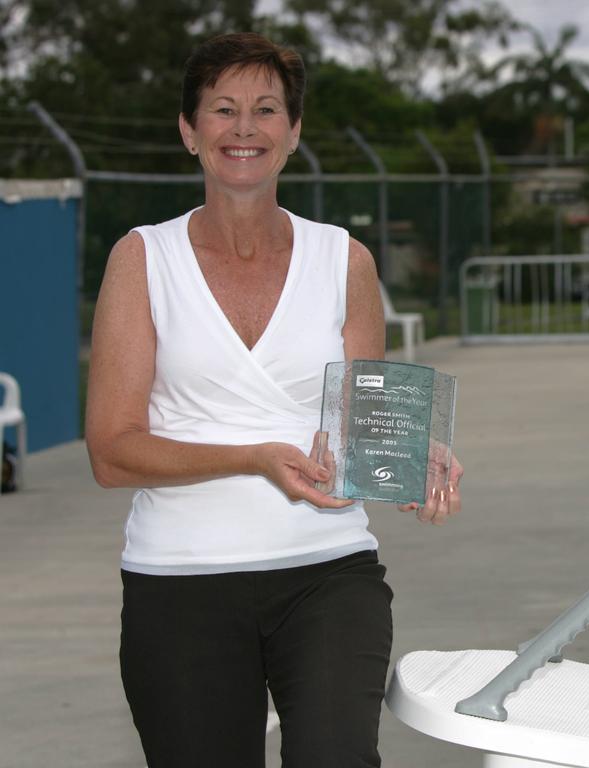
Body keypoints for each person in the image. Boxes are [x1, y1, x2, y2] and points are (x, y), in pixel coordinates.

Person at [85, 32, 462, 768]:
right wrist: (253, 457)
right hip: (180, 580)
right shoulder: (142, 259)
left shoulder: (344, 260)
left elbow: (363, 422)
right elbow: (111, 450)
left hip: (328, 571)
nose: (244, 128)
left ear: (294, 132)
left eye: (266, 109)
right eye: (222, 109)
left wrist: (413, 455)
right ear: (189, 131)